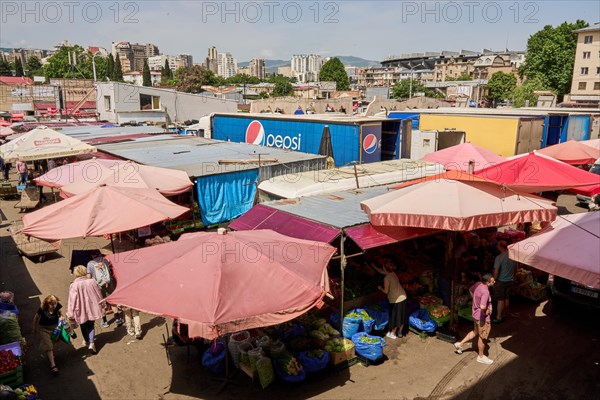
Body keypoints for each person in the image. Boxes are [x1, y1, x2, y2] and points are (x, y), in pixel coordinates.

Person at [454, 274, 495, 365]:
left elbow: (470, 290)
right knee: (482, 337)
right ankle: (481, 357)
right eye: (492, 281)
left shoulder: (478, 284)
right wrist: (486, 311)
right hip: (482, 318)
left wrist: (475, 300)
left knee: (475, 331)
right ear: (487, 283)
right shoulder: (485, 292)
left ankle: (460, 344)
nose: (494, 282)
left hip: (475, 314)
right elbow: (482, 306)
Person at [68, 265, 104, 355]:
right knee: (91, 325)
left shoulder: (73, 285)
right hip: (91, 308)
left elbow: (72, 301)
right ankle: (92, 342)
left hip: (80, 309)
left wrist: (70, 313)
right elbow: (98, 293)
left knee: (83, 325)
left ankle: (87, 341)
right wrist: (103, 303)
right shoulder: (92, 282)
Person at [372, 262, 407, 339]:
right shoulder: (393, 273)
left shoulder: (386, 278)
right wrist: (373, 266)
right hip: (403, 296)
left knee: (395, 317)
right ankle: (400, 332)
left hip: (395, 299)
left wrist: (380, 288)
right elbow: (381, 271)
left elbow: (386, 291)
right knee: (402, 315)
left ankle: (392, 333)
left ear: (384, 268)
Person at [86, 256, 123, 328]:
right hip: (108, 283)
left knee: (102, 303)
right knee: (111, 300)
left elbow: (88, 277)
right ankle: (117, 318)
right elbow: (110, 270)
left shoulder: (90, 264)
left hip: (98, 286)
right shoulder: (105, 260)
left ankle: (105, 321)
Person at [32, 295, 63, 375]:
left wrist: (61, 318)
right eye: (52, 304)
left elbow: (60, 314)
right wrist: (34, 328)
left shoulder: (57, 307)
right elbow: (36, 318)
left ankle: (51, 356)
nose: (54, 306)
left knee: (52, 343)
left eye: (55, 303)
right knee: (48, 345)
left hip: (54, 328)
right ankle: (53, 365)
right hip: (44, 329)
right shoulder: (42, 309)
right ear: (48, 304)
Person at [492, 240, 516, 323]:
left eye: (497, 245)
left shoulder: (499, 258)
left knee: (500, 299)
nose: (496, 246)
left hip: (501, 281)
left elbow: (496, 272)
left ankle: (499, 317)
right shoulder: (512, 256)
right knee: (506, 297)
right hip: (510, 280)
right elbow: (516, 268)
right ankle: (505, 314)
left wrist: (493, 280)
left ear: (500, 247)